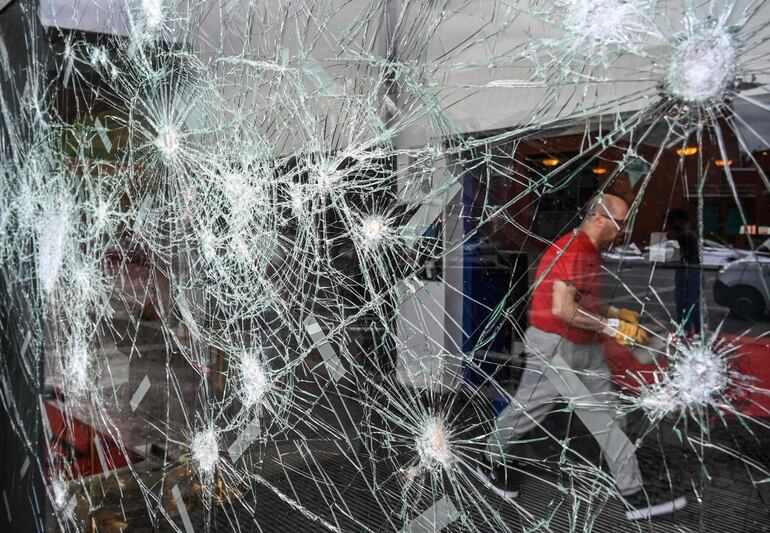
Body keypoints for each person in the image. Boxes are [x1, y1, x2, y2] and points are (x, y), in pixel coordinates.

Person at [476, 194, 687, 520]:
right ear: (600, 219)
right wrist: (614, 325)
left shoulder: (591, 251)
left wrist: (615, 313)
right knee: (528, 412)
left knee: (611, 416)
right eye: (621, 222)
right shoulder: (573, 249)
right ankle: (492, 459)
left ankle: (633, 495)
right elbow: (563, 309)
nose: (624, 230)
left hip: (586, 347)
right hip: (555, 347)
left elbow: (583, 302)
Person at [666, 208, 701, 335]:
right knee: (692, 301)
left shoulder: (683, 235)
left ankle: (686, 329)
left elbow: (674, 255)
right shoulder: (688, 234)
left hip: (687, 271)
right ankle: (696, 329)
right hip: (691, 270)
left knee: (684, 301)